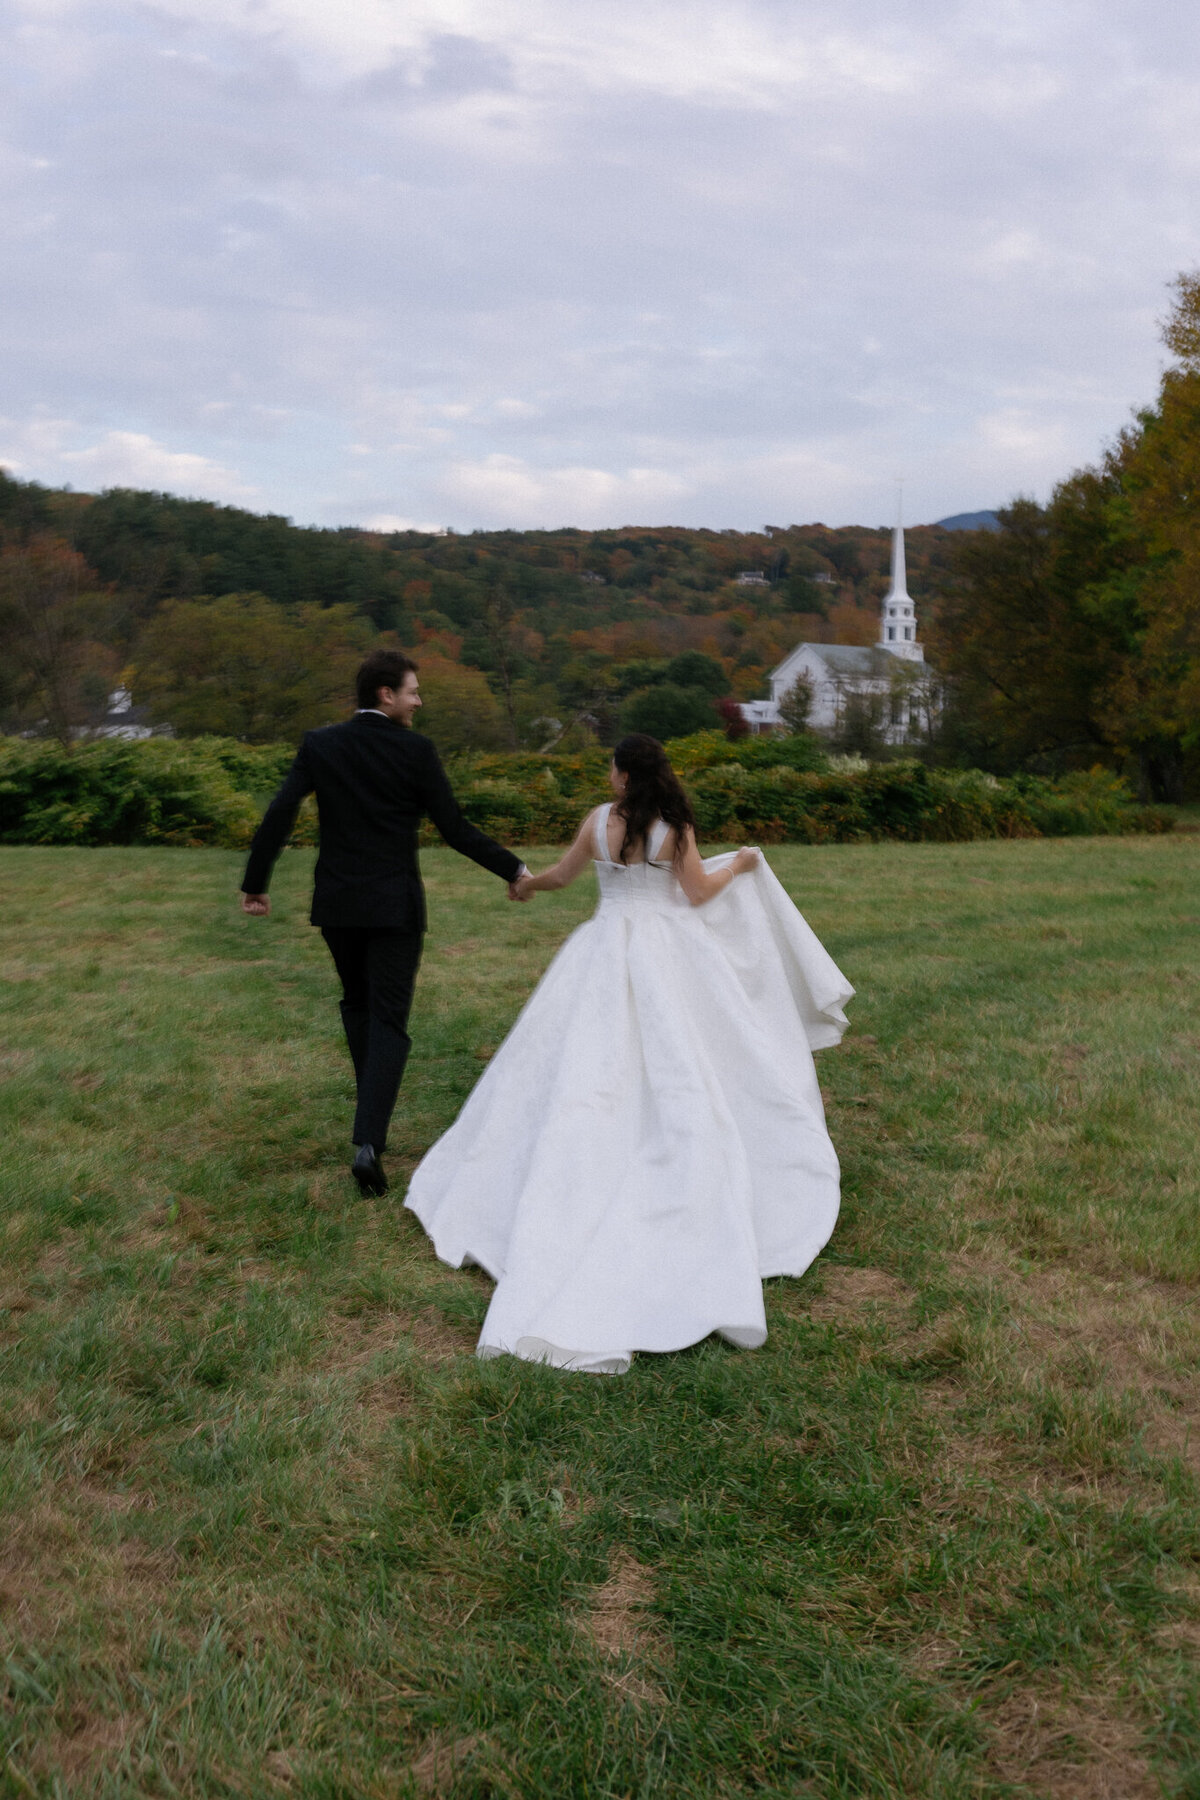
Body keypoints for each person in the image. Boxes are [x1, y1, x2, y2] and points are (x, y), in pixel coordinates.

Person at [405, 732, 855, 1375]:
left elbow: (561, 877)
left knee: (582, 1064)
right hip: (669, 951)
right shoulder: (675, 828)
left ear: (621, 776)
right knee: (686, 1060)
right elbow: (699, 893)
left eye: (613, 770)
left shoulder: (597, 822)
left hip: (604, 946)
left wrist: (525, 886)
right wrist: (744, 865)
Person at [239, 648, 527, 1197]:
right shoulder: (416, 752)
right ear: (385, 694)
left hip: (339, 904)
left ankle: (369, 1124)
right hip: (394, 906)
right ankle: (368, 1142)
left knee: (357, 1004)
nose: (419, 702)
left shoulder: (320, 744)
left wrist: (256, 881)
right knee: (388, 1020)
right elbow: (454, 828)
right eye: (413, 692)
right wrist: (512, 868)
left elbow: (280, 811)